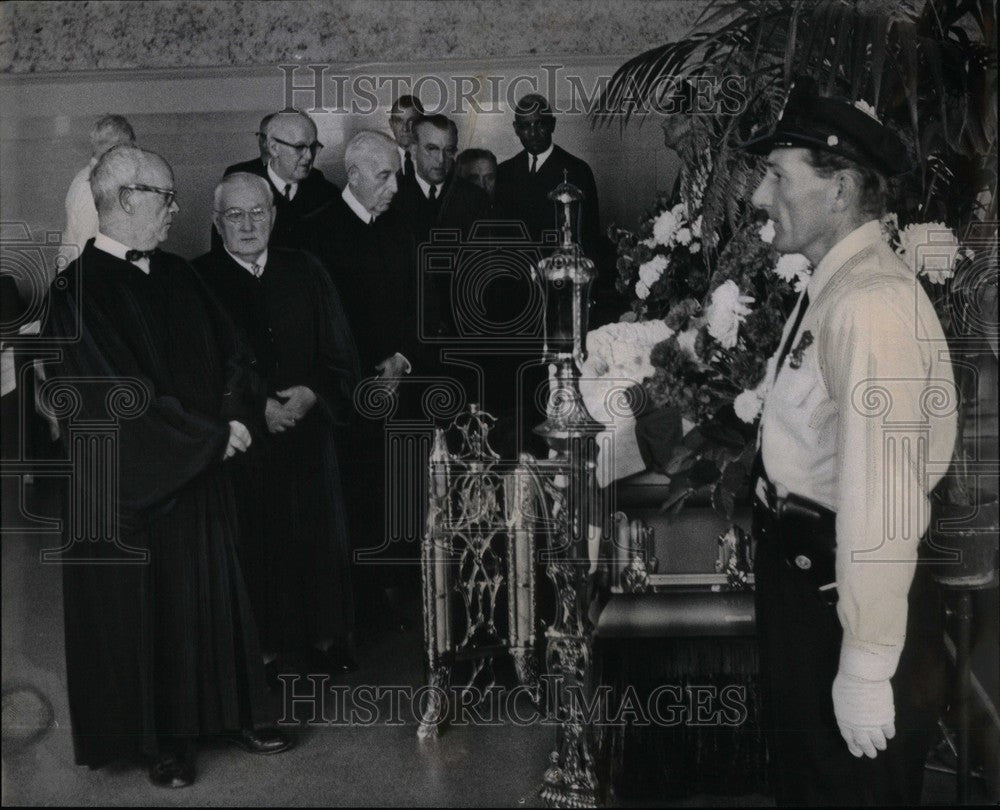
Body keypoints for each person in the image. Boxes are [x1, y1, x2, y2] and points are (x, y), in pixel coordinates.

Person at [42, 145, 290, 789]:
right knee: (149, 613)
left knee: (214, 596)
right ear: (125, 198)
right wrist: (211, 435)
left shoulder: (180, 275)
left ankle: (233, 711)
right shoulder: (75, 292)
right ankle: (161, 740)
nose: (176, 208)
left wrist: (235, 418)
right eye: (166, 195)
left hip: (201, 468)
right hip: (133, 490)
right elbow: (114, 398)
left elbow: (237, 357)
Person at [741, 80, 957, 804]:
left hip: (842, 600)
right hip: (809, 590)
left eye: (778, 176)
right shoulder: (836, 286)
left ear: (839, 191)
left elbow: (884, 499)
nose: (758, 197)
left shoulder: (870, 303)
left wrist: (866, 664)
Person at [194, 173, 360, 676]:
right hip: (245, 445)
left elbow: (340, 353)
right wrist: (255, 406)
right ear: (217, 223)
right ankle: (262, 652)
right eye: (235, 216)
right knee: (256, 547)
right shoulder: (197, 281)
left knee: (316, 539)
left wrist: (314, 392)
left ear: (274, 214)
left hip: (309, 435)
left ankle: (323, 640)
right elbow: (196, 370)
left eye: (258, 213)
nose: (248, 225)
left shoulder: (305, 269)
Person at [301, 130, 421, 632]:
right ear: (353, 176)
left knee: (400, 498)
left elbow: (420, 308)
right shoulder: (314, 234)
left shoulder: (403, 228)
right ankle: (361, 612)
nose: (395, 186)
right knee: (352, 504)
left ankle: (405, 601)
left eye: (396, 174)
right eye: (385, 176)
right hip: (344, 403)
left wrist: (402, 359)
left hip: (399, 396)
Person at [494, 94, 604, 277]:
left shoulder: (578, 170)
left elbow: (589, 235)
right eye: (525, 126)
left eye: (540, 124)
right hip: (515, 280)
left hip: (561, 278)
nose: (533, 132)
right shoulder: (504, 172)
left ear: (552, 124)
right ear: (516, 129)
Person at [214, 109, 338, 250]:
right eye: (300, 147)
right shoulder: (239, 188)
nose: (309, 156)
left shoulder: (328, 194)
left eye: (313, 147)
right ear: (273, 148)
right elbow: (222, 255)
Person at [62, 114, 135, 266]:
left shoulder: (86, 178)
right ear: (116, 148)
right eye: (129, 148)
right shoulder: (93, 188)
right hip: (86, 280)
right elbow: (89, 251)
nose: (132, 156)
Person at [389, 94, 425, 179]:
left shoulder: (438, 159)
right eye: (399, 121)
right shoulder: (380, 161)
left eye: (411, 121)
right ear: (391, 125)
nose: (405, 128)